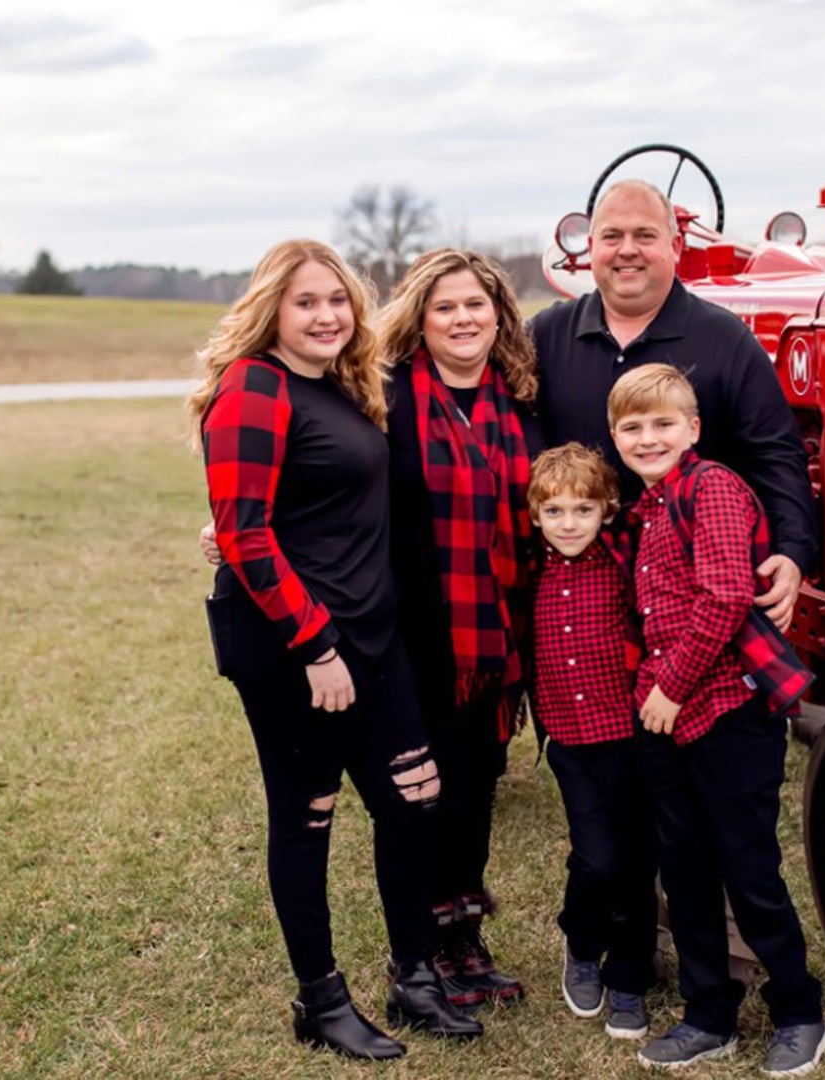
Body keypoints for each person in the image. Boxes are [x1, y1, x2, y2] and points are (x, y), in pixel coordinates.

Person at [189, 239, 481, 1061]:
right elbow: (246, 533)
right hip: (297, 646)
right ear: (270, 312)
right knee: (306, 816)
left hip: (372, 634)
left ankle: (414, 974)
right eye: (305, 301)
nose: (326, 315)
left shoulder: (346, 387)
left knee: (415, 797)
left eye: (337, 300)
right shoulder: (253, 386)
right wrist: (315, 645)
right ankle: (320, 1001)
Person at [607, 364, 825, 1076]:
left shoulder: (716, 490)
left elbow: (727, 596)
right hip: (663, 719)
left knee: (748, 870)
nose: (648, 438)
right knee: (687, 872)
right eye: (632, 427)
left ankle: (799, 1010)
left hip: (727, 712)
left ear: (693, 428)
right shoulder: (645, 508)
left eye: (663, 423)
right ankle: (709, 1013)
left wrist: (670, 685)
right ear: (615, 437)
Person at [527, 179, 818, 631]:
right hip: (579, 600)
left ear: (675, 245)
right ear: (589, 248)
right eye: (612, 236)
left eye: (645, 236)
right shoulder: (545, 337)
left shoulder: (726, 340)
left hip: (695, 602)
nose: (628, 250)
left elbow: (775, 453)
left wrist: (793, 551)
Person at [379, 247, 543, 1009]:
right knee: (424, 796)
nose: (462, 318)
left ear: (498, 314)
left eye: (475, 305)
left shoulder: (520, 402)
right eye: (444, 307)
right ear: (420, 318)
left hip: (498, 641)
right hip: (415, 636)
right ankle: (416, 951)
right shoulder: (385, 400)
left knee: (478, 791)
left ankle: (463, 939)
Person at [525, 442, 658, 1041]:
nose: (569, 524)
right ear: (535, 516)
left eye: (582, 509)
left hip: (629, 738)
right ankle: (581, 944)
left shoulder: (624, 566)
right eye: (554, 512)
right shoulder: (531, 573)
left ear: (607, 509)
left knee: (637, 860)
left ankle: (629, 977)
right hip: (570, 744)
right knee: (597, 856)